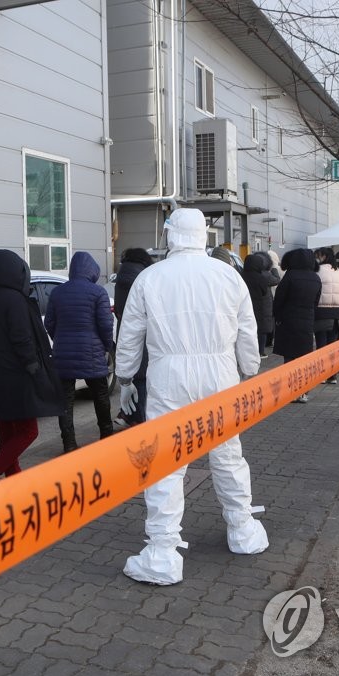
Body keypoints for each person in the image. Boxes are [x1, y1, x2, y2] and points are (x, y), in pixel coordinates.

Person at [115, 208, 267, 585]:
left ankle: (163, 552)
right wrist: (249, 370)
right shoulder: (228, 275)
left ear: (171, 235)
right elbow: (248, 331)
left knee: (166, 459)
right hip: (220, 374)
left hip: (169, 375)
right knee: (228, 453)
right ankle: (242, 529)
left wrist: (125, 378)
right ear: (203, 234)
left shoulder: (150, 278)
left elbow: (130, 332)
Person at [0, 249, 64, 485]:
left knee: (8, 433)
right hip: (17, 376)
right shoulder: (14, 300)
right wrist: (34, 367)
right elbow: (21, 338)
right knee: (28, 431)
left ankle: (13, 482)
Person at [44, 251, 115, 452]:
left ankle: (69, 443)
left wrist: (60, 340)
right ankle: (107, 437)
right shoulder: (98, 292)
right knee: (100, 395)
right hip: (92, 353)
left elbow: (49, 322)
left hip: (63, 355)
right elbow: (105, 325)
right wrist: (107, 347)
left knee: (65, 400)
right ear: (92, 271)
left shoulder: (58, 292)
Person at [273, 248, 321, 402]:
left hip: (288, 321)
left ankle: (291, 391)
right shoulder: (315, 278)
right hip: (307, 321)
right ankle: (304, 392)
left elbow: (279, 299)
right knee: (304, 359)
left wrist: (278, 316)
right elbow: (316, 302)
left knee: (290, 359)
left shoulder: (290, 276)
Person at [114, 248, 154, 425]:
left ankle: (128, 415)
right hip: (142, 335)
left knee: (133, 377)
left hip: (125, 331)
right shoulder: (142, 280)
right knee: (142, 378)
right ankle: (140, 420)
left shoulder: (121, 278)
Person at [313, 247, 339, 384]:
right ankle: (332, 375)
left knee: (321, 344)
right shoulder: (338, 271)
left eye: (318, 256)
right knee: (332, 345)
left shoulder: (318, 270)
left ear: (324, 256)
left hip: (321, 311)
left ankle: (322, 374)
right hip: (337, 311)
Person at [242, 252, 281, 357]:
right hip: (260, 307)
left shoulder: (240, 275)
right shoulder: (262, 277)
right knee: (261, 330)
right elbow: (271, 284)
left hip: (244, 307)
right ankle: (260, 352)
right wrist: (274, 270)